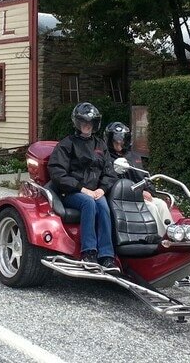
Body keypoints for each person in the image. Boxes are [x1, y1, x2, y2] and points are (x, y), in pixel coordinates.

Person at [48, 102, 118, 269]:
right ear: (77, 123)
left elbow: (110, 172)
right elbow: (57, 172)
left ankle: (107, 256)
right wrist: (82, 188)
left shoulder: (100, 144)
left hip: (95, 192)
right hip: (71, 192)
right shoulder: (67, 144)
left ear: (95, 124)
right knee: (89, 203)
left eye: (90, 122)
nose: (87, 125)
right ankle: (88, 253)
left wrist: (102, 189)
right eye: (84, 122)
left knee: (104, 207)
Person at [105, 121, 174, 236]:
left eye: (121, 140)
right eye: (115, 141)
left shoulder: (134, 157)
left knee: (161, 204)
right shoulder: (106, 158)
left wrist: (148, 190)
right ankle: (160, 239)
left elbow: (144, 177)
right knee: (150, 207)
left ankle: (174, 236)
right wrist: (138, 194)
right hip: (122, 199)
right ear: (109, 141)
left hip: (140, 195)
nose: (119, 143)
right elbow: (112, 182)